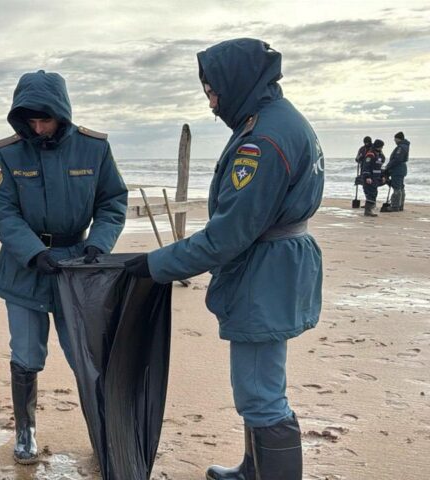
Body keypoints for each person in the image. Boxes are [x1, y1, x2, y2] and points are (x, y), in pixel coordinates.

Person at [125, 39, 323, 479]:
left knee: (260, 391)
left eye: (213, 92)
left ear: (238, 82)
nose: (212, 104)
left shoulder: (263, 141)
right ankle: (253, 468)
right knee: (262, 383)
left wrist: (156, 264)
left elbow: (226, 236)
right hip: (278, 264)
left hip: (265, 270)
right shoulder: (280, 120)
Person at [0, 70, 128, 464]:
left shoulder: (94, 148)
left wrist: (98, 245)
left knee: (86, 354)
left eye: (44, 119)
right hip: (24, 267)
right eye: (29, 120)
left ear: (61, 114)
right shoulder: (9, 154)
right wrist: (33, 252)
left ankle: (103, 433)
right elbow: (2, 212)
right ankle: (25, 431)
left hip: (78, 268)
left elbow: (112, 202)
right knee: (27, 353)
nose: (38, 127)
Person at [381, 131, 410, 212]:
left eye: (395, 139)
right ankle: (400, 205)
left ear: (398, 139)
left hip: (398, 169)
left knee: (397, 188)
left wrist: (388, 166)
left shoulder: (401, 147)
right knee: (401, 187)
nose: (394, 141)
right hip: (401, 169)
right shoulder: (405, 146)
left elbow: (397, 159)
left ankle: (395, 206)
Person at [361, 139, 386, 217]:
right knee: (371, 193)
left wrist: (382, 176)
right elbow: (366, 167)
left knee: (374, 193)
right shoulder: (370, 154)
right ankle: (368, 211)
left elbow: (379, 167)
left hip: (375, 178)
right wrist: (367, 177)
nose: (381, 149)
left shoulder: (379, 155)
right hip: (370, 178)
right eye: (381, 147)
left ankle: (370, 209)